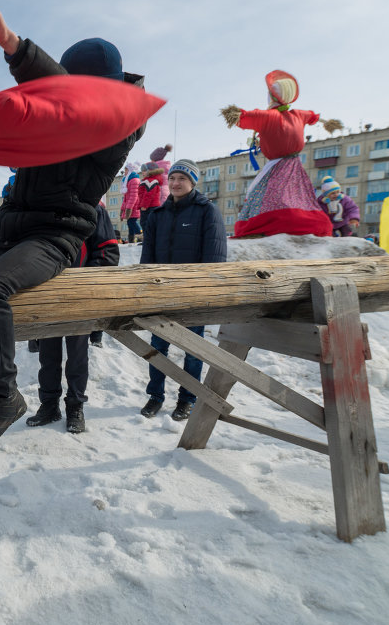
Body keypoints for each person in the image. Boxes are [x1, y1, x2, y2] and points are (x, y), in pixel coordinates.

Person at [0, 0, 147, 458]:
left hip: (56, 236)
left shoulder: (118, 121)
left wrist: (12, 44)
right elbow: (12, 127)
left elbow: (65, 105)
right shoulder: (54, 121)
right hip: (14, 234)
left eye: (65, 89)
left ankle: (3, 396)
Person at [138, 159, 228, 421]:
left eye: (183, 179)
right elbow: (147, 258)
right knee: (157, 347)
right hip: (162, 295)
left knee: (193, 351)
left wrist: (203, 292)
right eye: (173, 178)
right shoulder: (157, 216)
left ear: (193, 182)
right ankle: (155, 396)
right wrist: (147, 290)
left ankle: (187, 398)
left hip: (192, 295)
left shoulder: (206, 211)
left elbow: (215, 256)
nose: (176, 183)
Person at [26, 202, 119, 434]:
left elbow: (108, 251)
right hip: (47, 292)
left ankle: (75, 407)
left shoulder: (94, 208)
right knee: (48, 356)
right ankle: (49, 406)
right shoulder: (44, 204)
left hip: (79, 295)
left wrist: (83, 283)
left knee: (77, 356)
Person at [221, 71, 341, 237]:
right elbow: (312, 116)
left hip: (277, 165)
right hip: (295, 165)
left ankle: (264, 225)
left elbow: (243, 117)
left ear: (272, 97)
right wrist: (326, 122)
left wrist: (235, 114)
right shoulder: (298, 114)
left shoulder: (269, 117)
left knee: (261, 193)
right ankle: (304, 222)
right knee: (298, 195)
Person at [136, 146, 171, 228]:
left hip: (153, 202)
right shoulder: (165, 168)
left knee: (149, 222)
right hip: (161, 196)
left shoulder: (153, 173)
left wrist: (144, 205)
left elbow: (149, 193)